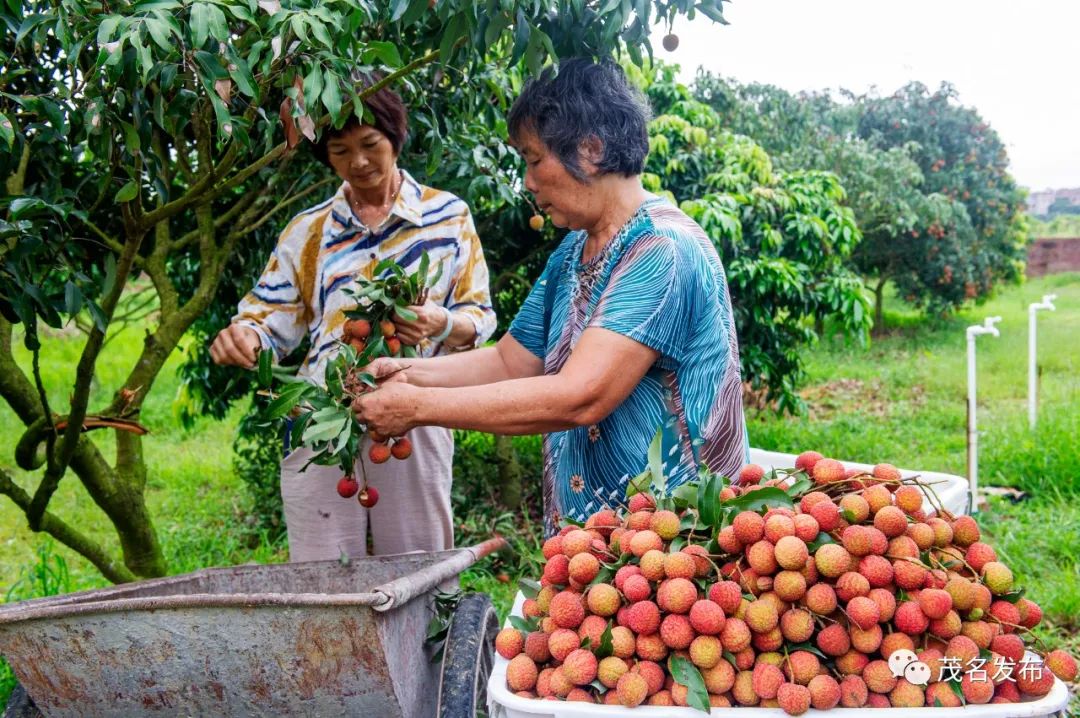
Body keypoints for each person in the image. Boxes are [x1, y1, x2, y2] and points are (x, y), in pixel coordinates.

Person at [353, 58, 748, 536]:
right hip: (598, 551)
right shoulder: (574, 251)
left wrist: (415, 408)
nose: (529, 182)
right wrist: (408, 373)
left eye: (534, 159)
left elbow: (580, 396)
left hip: (673, 554)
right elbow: (509, 362)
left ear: (590, 150)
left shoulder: (662, 249)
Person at [210, 79, 497, 561]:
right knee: (321, 570)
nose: (358, 162)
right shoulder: (310, 229)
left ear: (394, 137)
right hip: (322, 415)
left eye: (370, 145)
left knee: (418, 562)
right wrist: (245, 337)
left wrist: (438, 324)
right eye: (341, 151)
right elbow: (268, 317)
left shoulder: (447, 216)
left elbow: (481, 317)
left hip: (416, 413)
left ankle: (427, 641)